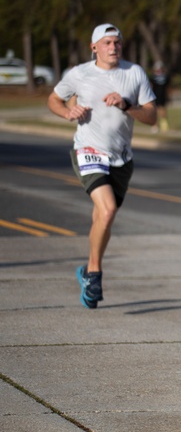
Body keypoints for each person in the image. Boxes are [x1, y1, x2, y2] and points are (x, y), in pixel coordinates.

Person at [47, 23, 156, 309]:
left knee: (103, 216)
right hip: (88, 150)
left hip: (122, 157)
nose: (113, 47)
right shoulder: (79, 74)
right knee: (106, 209)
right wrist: (67, 111)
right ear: (94, 47)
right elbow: (54, 99)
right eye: (107, 43)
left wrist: (126, 105)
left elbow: (151, 116)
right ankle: (94, 273)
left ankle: (86, 272)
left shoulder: (134, 73)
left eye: (117, 42)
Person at [150, 61, 170, 134]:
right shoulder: (152, 77)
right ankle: (155, 126)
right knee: (154, 111)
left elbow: (168, 87)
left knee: (162, 110)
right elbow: (151, 86)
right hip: (154, 96)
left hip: (163, 96)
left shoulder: (166, 77)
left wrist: (168, 96)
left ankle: (164, 125)